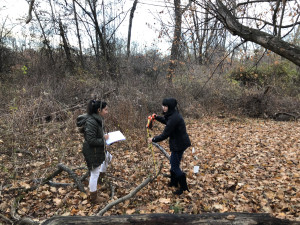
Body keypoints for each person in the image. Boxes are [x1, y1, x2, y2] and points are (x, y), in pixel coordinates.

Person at [148, 98, 191, 195]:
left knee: (175, 166)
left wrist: (153, 139)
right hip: (180, 143)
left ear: (170, 107)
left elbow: (165, 134)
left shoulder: (174, 118)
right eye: (163, 105)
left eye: (165, 106)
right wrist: (157, 117)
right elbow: (166, 121)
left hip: (179, 144)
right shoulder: (172, 115)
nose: (163, 107)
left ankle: (183, 188)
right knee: (173, 163)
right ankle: (174, 182)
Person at [77, 100, 109, 204]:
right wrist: (104, 140)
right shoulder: (92, 121)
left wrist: (104, 137)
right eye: (105, 110)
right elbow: (91, 140)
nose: (107, 112)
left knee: (108, 157)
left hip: (97, 148)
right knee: (94, 173)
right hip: (91, 150)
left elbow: (97, 134)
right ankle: (94, 197)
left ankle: (101, 179)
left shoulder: (97, 119)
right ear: (99, 110)